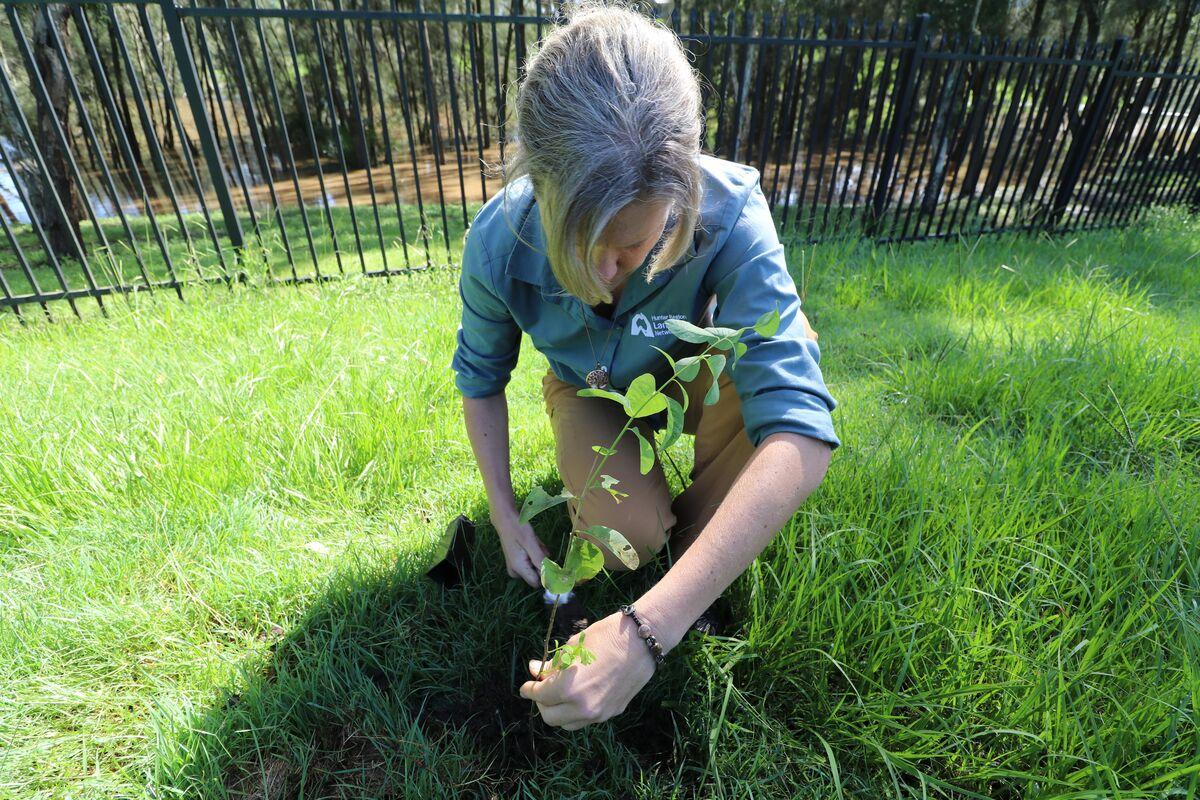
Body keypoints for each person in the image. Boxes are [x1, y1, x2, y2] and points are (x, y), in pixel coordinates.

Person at [450, 0, 839, 731]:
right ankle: (658, 552)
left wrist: (645, 632)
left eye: (632, 246)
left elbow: (802, 428)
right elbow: (480, 380)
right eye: (581, 244)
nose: (603, 274)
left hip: (701, 377)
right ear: (539, 184)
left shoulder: (732, 212)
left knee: (772, 402)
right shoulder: (498, 242)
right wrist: (505, 518)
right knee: (627, 541)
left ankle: (696, 566)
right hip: (593, 387)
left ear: (682, 191)